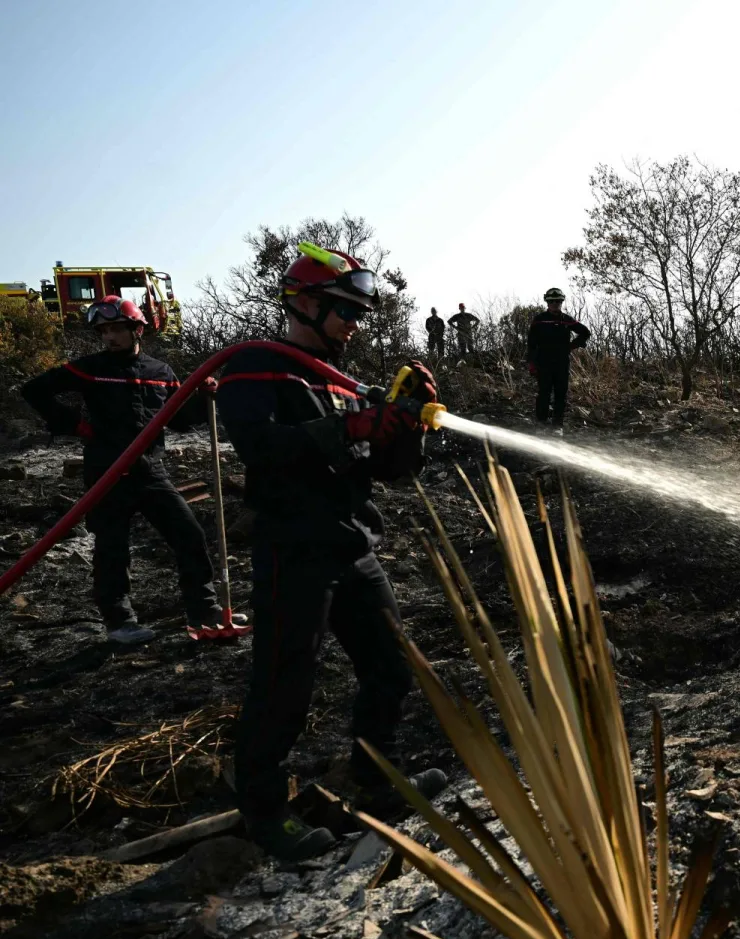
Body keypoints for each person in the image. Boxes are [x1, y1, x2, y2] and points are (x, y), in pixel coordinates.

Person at [217, 244, 446, 861]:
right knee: (284, 683)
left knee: (390, 667)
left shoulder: (343, 383)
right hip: (294, 550)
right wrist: (350, 428)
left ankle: (379, 782)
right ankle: (266, 814)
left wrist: (405, 429)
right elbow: (262, 448)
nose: (355, 324)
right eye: (345, 311)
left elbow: (387, 469)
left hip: (352, 544)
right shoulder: (253, 368)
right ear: (306, 302)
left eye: (361, 313)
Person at [21, 296, 225, 645]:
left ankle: (204, 612)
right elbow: (33, 390)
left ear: (137, 329)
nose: (109, 337)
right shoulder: (90, 368)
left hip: (151, 471)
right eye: (104, 331)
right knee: (112, 548)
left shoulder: (160, 372)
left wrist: (202, 397)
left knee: (189, 535)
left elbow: (177, 422)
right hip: (106, 472)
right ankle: (120, 623)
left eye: (117, 329)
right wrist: (76, 426)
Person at [526, 288, 591, 425]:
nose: (555, 304)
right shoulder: (539, 320)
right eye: (552, 301)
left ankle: (557, 424)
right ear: (547, 302)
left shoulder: (567, 320)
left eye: (558, 301)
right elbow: (531, 344)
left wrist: (572, 345)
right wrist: (531, 363)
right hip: (543, 362)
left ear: (561, 302)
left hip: (562, 362)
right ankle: (541, 423)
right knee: (544, 393)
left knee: (561, 394)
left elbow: (585, 332)